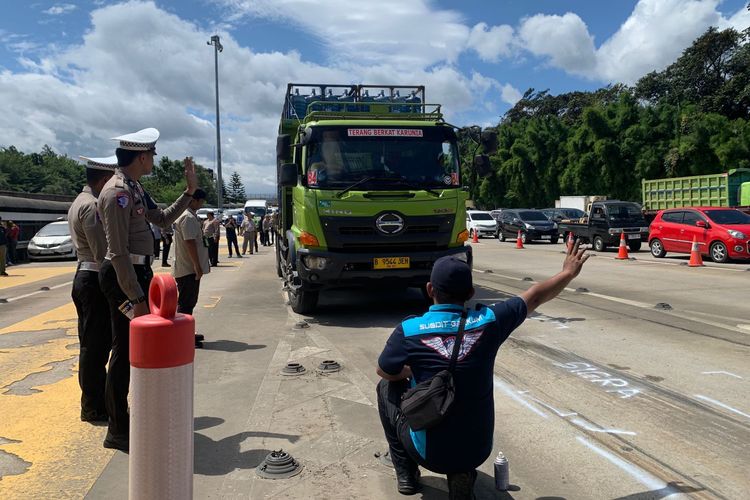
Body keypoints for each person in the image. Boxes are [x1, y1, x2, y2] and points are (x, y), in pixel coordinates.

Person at [376, 242, 590, 497]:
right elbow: (534, 296)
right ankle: (462, 472)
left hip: (429, 454)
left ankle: (407, 474)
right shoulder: (490, 321)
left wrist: (410, 373)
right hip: (477, 451)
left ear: (430, 289)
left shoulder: (410, 330)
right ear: (470, 293)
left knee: (386, 388)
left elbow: (385, 371)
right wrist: (567, 272)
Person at [98, 127, 197, 452]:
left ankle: (127, 420)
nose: (154, 159)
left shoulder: (135, 189)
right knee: (124, 352)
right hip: (123, 277)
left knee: (130, 351)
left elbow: (164, 220)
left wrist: (188, 191)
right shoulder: (117, 193)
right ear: (141, 156)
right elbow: (116, 252)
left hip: (139, 273)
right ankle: (117, 429)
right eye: (152, 154)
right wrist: (136, 297)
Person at [68, 155, 117, 423]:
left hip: (85, 275)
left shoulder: (79, 201)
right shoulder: (93, 206)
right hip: (94, 277)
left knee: (92, 344)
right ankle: (93, 406)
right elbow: (102, 251)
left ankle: (94, 403)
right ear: (103, 179)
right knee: (95, 347)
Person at [173, 189, 210, 347]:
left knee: (188, 302)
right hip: (188, 268)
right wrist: (197, 266)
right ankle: (183, 336)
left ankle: (186, 332)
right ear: (194, 200)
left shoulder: (188, 215)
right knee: (187, 302)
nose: (201, 205)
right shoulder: (187, 217)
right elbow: (190, 242)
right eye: (200, 202)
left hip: (188, 267)